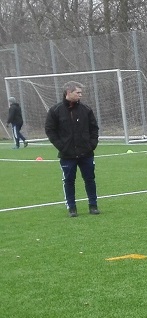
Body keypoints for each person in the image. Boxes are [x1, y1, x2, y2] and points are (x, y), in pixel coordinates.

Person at [44, 81, 101, 217]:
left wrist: (91, 144)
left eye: (81, 93)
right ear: (68, 92)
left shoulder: (86, 109)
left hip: (86, 153)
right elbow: (50, 130)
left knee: (90, 179)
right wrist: (62, 146)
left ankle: (93, 205)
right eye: (78, 92)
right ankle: (72, 207)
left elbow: (94, 128)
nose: (80, 95)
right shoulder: (55, 110)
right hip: (67, 155)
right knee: (69, 181)